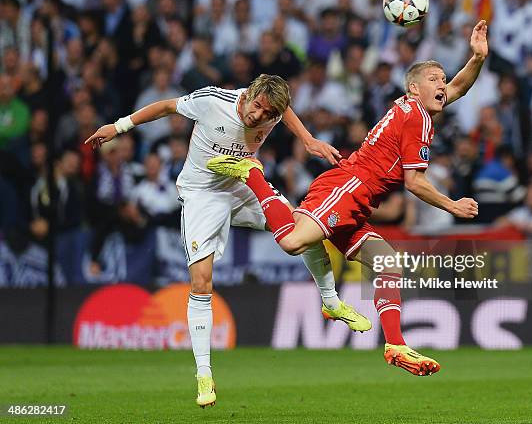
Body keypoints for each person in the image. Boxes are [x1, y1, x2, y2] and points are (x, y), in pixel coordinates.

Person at [207, 20, 489, 377]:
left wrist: (477, 57)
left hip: (357, 200)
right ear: (413, 88)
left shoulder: (414, 107)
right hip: (347, 187)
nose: (442, 84)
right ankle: (253, 174)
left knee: (388, 264)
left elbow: (459, 86)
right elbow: (414, 183)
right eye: (434, 79)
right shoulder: (416, 116)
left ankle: (396, 345)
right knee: (293, 240)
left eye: (442, 78)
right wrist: (452, 204)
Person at [84, 74, 371, 408]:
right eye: (257, 107)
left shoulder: (273, 110)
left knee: (301, 230)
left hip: (240, 186)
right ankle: (204, 375)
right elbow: (166, 107)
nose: (258, 117)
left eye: (267, 114)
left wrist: (308, 139)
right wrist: (119, 127)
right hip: (202, 193)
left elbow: (285, 110)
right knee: (202, 282)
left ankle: (330, 301)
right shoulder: (213, 101)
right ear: (248, 95)